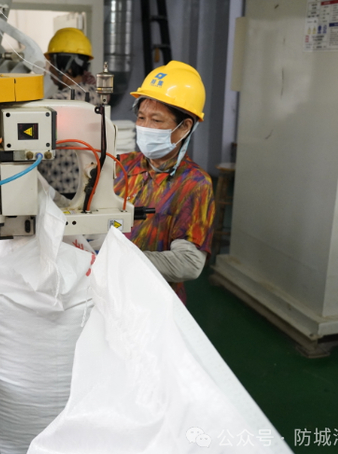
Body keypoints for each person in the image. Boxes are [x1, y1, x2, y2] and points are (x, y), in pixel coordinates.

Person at [114, 61, 215, 303]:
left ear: (184, 127)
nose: (145, 127)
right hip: (113, 289)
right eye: (141, 117)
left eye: (156, 121)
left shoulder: (194, 184)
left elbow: (189, 263)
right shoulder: (123, 165)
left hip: (154, 302)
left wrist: (121, 259)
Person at [38, 28, 101, 199]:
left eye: (52, 63)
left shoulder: (57, 102)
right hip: (88, 184)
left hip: (59, 190)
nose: (49, 69)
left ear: (65, 65)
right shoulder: (97, 94)